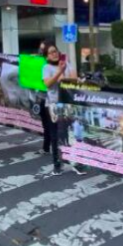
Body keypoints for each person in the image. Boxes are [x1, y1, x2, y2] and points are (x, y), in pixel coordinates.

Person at [42, 43, 85, 176]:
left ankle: (76, 163)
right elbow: (47, 83)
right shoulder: (46, 68)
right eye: (51, 52)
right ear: (46, 56)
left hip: (69, 104)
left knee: (72, 134)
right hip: (54, 105)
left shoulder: (67, 64)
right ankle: (57, 164)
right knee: (55, 136)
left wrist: (63, 77)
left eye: (55, 51)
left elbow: (75, 79)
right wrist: (60, 73)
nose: (54, 54)